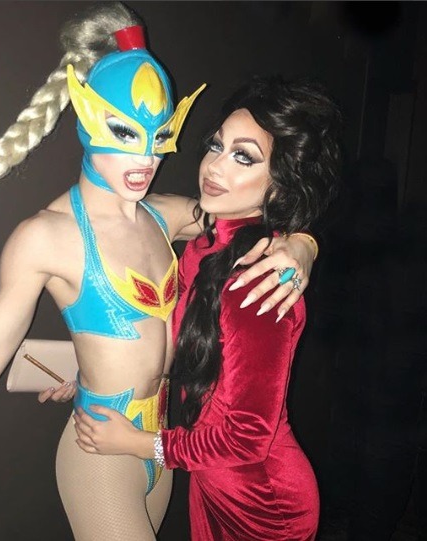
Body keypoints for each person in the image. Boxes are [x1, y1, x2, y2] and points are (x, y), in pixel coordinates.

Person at [0, 4, 317, 540]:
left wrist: (302, 244)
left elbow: (251, 213)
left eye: (158, 137)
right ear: (89, 119)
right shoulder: (45, 236)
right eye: (124, 132)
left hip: (162, 448)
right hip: (100, 451)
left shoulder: (163, 215)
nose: (146, 159)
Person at [73, 75, 342, 540]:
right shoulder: (204, 246)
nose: (214, 166)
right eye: (217, 146)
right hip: (215, 482)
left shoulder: (259, 283)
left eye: (243, 157)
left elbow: (246, 438)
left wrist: (138, 443)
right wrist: (92, 372)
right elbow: (176, 341)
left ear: (280, 186)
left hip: (264, 502)